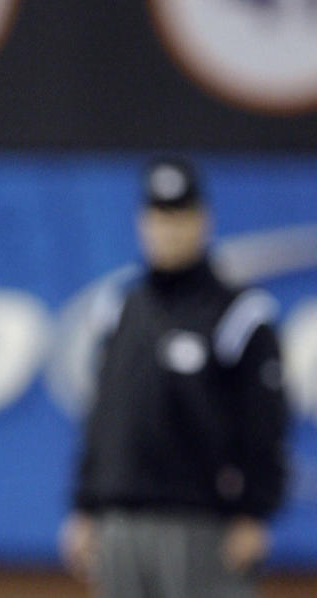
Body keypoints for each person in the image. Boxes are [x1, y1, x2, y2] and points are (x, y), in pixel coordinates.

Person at [60, 157, 288, 598]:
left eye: (181, 216)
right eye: (159, 217)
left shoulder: (238, 313)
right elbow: (104, 415)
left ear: (204, 221)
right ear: (142, 223)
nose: (169, 230)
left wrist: (254, 511)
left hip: (201, 519)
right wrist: (86, 505)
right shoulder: (121, 307)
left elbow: (265, 423)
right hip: (120, 516)